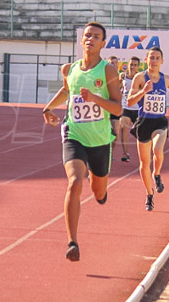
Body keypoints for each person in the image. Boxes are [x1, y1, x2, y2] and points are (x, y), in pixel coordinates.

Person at [42, 22, 122, 262]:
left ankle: (101, 192)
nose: (90, 39)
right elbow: (67, 91)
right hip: (74, 134)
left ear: (103, 43)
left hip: (100, 140)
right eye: (87, 35)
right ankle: (72, 242)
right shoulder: (71, 69)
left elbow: (118, 108)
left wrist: (95, 99)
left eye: (96, 36)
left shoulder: (108, 71)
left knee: (98, 191)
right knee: (75, 182)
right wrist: (48, 108)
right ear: (81, 40)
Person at [127, 47, 169, 211]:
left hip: (159, 122)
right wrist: (144, 91)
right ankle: (149, 195)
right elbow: (129, 102)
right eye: (151, 58)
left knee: (157, 149)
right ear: (146, 60)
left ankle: (157, 174)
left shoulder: (167, 79)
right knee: (143, 164)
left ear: (162, 61)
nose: (154, 61)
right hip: (143, 122)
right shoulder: (140, 77)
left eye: (157, 58)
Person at [117, 55, 142, 162]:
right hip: (125, 106)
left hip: (137, 108)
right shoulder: (123, 76)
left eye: (135, 65)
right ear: (128, 65)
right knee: (123, 128)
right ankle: (125, 153)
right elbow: (116, 87)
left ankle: (143, 152)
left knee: (140, 133)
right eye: (131, 64)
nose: (132, 67)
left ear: (138, 66)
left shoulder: (140, 77)